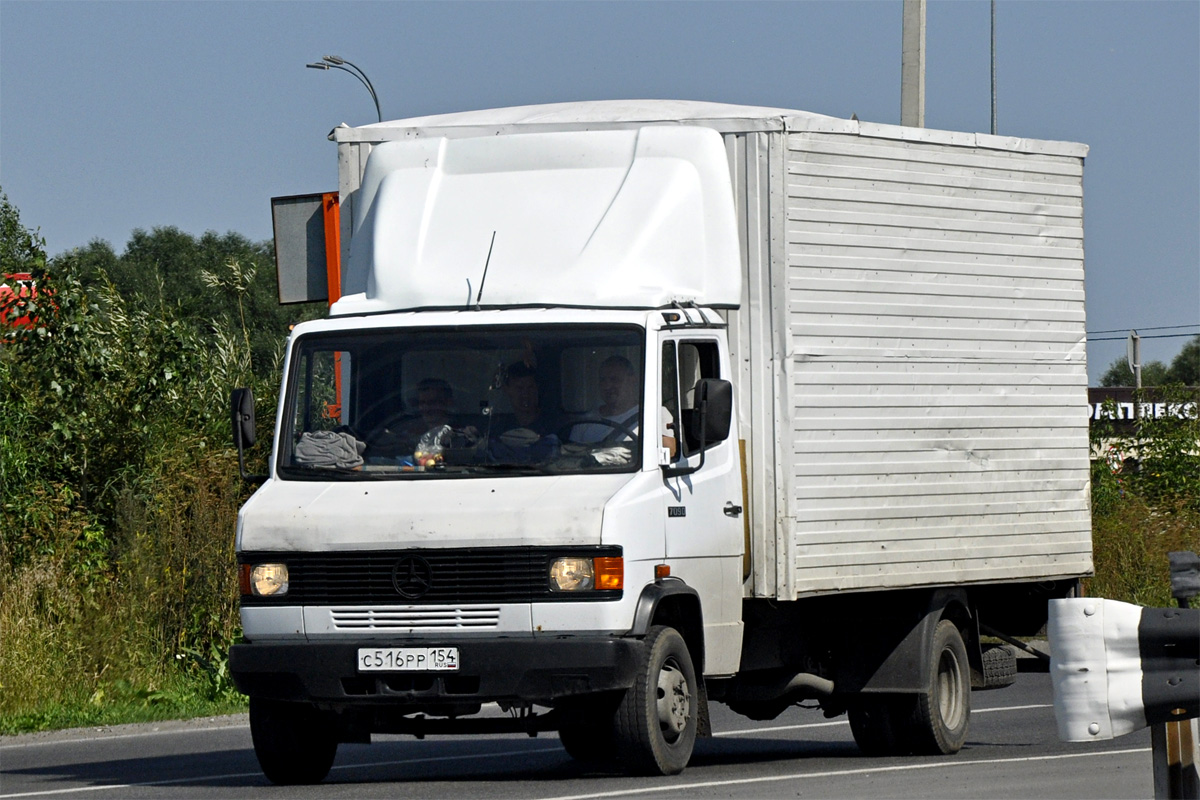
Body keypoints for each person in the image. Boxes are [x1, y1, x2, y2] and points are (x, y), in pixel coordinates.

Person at [569, 355, 677, 459]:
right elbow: (571, 456)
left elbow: (669, 452)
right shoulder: (585, 421)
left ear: (632, 381)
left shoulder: (655, 414)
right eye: (603, 380)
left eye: (614, 380)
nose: (607, 386)